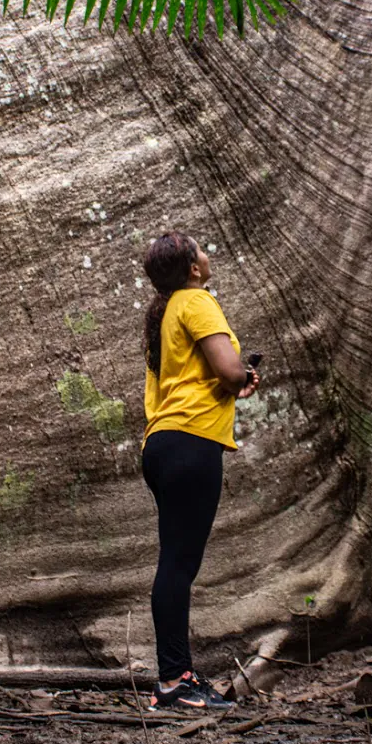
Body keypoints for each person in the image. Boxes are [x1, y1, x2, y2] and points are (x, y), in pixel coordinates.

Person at [140, 232, 259, 710]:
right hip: (191, 443)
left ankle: (175, 679)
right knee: (178, 566)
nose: (208, 256)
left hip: (163, 443)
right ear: (192, 267)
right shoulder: (198, 300)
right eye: (201, 250)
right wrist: (245, 376)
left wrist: (234, 381)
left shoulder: (163, 314)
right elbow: (228, 373)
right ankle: (174, 682)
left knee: (173, 562)